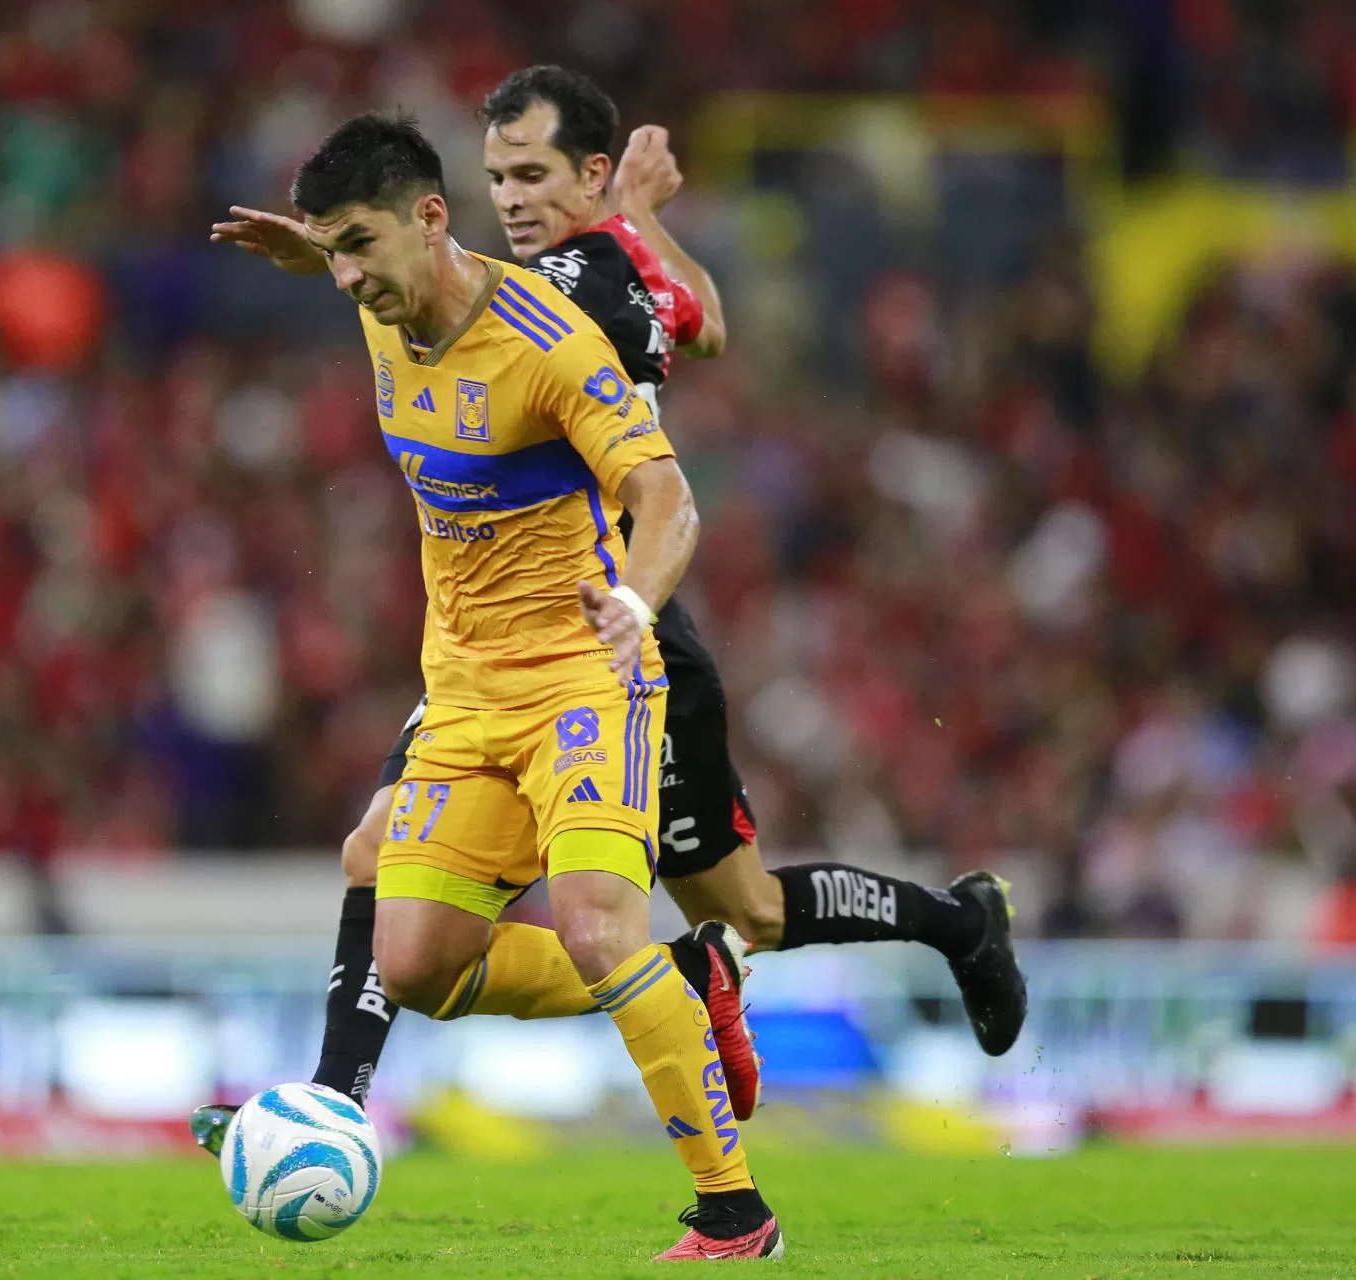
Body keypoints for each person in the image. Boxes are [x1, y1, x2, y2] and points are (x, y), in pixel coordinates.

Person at [199, 64, 1028, 1147]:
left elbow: (663, 399)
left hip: (611, 626)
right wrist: (331, 249)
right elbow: (701, 323)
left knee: (741, 911)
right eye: (498, 173)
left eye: (535, 172)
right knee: (404, 855)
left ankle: (951, 922)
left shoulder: (571, 294)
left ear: (593, 175)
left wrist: (628, 229)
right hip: (532, 634)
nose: (513, 195)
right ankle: (332, 1106)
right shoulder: (569, 268)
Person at [211, 110, 782, 1259]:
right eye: (334, 251)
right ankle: (692, 971)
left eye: (361, 245)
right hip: (464, 689)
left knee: (592, 926)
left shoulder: (545, 341)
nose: (350, 277)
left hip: (584, 671)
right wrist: (311, 248)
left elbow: (669, 501)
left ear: (433, 218)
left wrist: (636, 602)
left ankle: (735, 1213)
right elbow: (357, 274)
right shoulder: (381, 302)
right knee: (412, 958)